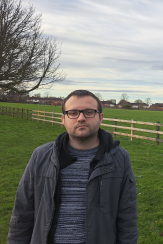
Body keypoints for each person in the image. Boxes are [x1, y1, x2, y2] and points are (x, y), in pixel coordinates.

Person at [8, 90, 138, 244]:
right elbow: (22, 214)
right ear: (63, 119)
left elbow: (127, 218)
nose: (81, 118)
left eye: (89, 112)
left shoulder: (120, 158)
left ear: (100, 117)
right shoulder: (40, 156)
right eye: (73, 113)